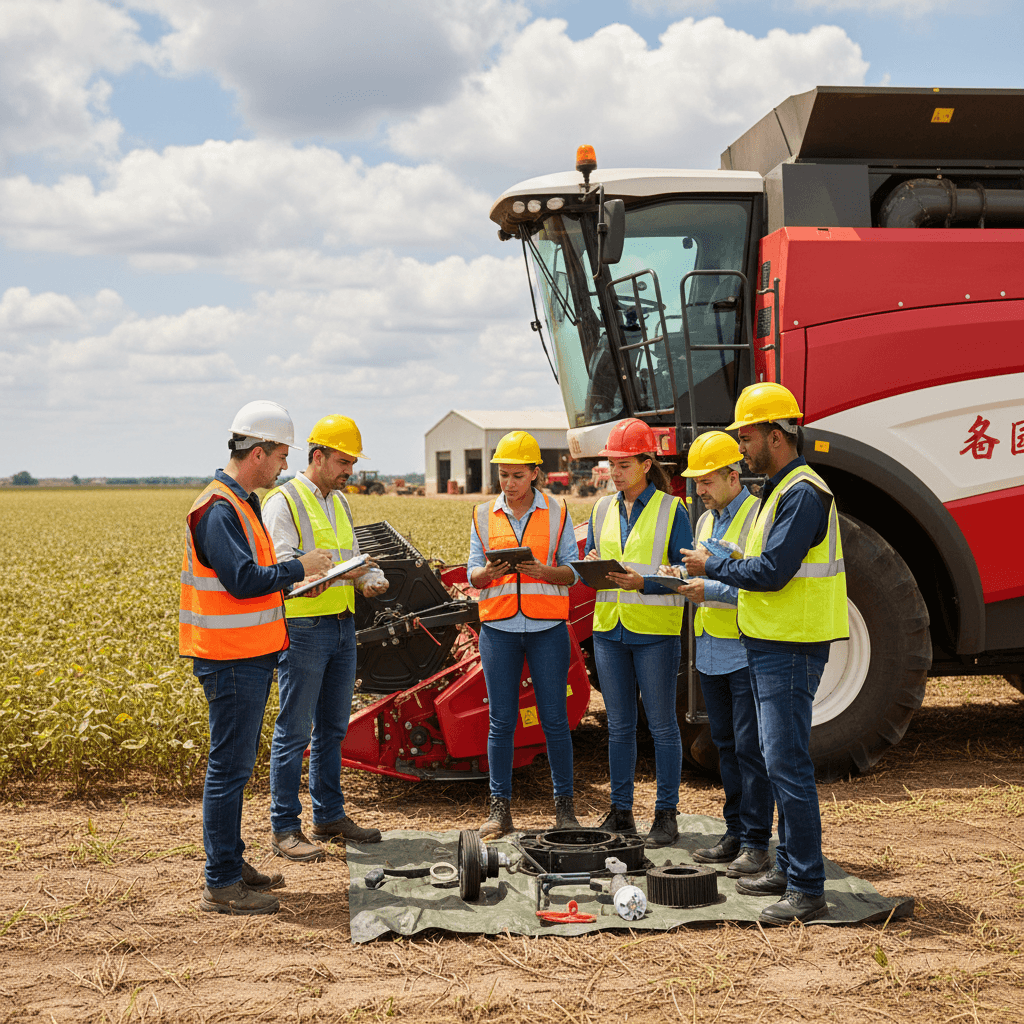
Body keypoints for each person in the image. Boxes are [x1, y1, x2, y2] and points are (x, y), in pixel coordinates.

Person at [681, 383, 848, 925]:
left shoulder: (802, 493)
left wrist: (714, 567)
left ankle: (806, 888)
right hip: (774, 641)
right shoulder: (782, 491)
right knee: (779, 761)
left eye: (747, 437)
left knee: (786, 763)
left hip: (792, 645)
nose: (743, 448)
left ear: (776, 435)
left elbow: (772, 573)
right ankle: (789, 867)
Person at [180, 400, 333, 915]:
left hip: (247, 655)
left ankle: (230, 860)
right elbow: (242, 582)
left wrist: (295, 587)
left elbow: (255, 584)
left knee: (235, 769)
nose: (284, 467)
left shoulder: (240, 504)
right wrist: (300, 569)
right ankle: (221, 882)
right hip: (230, 659)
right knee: (228, 770)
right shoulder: (218, 508)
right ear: (258, 452)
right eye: (281, 457)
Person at [262, 414, 390, 860]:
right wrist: (308, 576)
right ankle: (284, 827)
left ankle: (329, 815)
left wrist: (367, 576)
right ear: (316, 457)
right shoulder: (284, 502)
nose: (348, 471)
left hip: (340, 623)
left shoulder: (338, 502)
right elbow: (281, 567)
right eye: (342, 461)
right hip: (303, 628)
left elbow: (350, 558)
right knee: (294, 730)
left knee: (333, 728)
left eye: (352, 463)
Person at [583, 418, 693, 848]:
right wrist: (592, 563)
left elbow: (684, 573)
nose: (615, 470)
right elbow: (595, 560)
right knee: (620, 727)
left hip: (654, 633)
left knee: (663, 726)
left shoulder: (673, 510)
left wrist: (643, 583)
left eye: (624, 463)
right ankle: (621, 812)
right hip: (609, 631)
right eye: (612, 463)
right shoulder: (599, 510)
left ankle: (666, 816)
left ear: (647, 464)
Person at [669, 431, 773, 879]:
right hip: (711, 650)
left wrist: (706, 587)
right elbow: (705, 567)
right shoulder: (707, 520)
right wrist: (676, 577)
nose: (699, 491)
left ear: (734, 475)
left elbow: (758, 580)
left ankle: (756, 842)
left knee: (751, 750)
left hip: (745, 648)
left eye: (706, 481)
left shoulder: (756, 518)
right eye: (696, 482)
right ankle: (735, 833)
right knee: (727, 747)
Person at [467, 430, 581, 839]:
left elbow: (573, 569)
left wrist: (546, 574)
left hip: (547, 629)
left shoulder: (558, 510)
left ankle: (564, 810)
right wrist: (486, 575)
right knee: (501, 723)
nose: (509, 483)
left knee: (554, 720)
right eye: (503, 475)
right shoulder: (482, 514)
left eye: (517, 475)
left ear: (536, 473)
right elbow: (472, 571)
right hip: (498, 629)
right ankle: (500, 811)